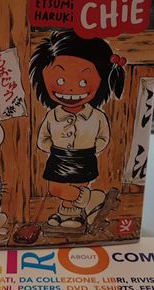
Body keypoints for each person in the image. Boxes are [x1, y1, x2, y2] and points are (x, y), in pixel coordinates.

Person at [29, 30, 126, 230]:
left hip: (85, 156)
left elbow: (103, 137)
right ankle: (93, 199)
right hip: (58, 156)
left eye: (83, 82)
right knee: (55, 188)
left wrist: (92, 148)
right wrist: (52, 148)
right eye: (60, 81)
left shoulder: (97, 116)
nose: (71, 89)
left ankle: (70, 215)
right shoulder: (52, 115)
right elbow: (43, 138)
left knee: (78, 185)